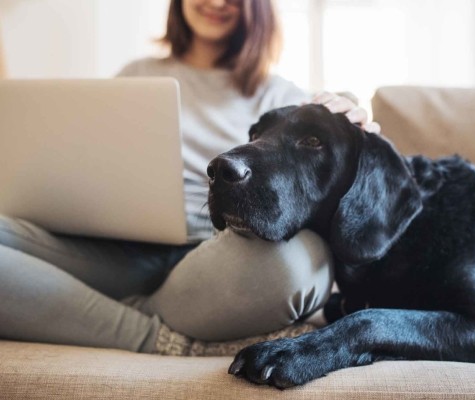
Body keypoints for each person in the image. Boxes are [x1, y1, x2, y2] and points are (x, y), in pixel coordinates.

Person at [0, 0, 379, 356]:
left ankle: (87, 308)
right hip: (114, 250)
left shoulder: (280, 95)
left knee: (296, 263)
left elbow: (341, 159)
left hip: (216, 259)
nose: (216, 3)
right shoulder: (137, 75)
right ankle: (156, 332)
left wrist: (353, 119)